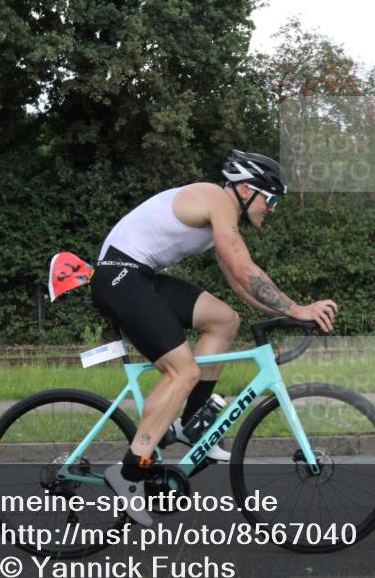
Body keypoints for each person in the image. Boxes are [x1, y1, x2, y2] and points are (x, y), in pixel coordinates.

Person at [90, 150, 338, 525]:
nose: (272, 208)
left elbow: (241, 284)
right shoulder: (217, 199)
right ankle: (129, 472)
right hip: (120, 277)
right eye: (269, 198)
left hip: (139, 276)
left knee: (224, 320)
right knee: (182, 372)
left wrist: (289, 312)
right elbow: (243, 266)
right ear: (243, 189)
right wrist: (297, 308)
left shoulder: (221, 218)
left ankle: (192, 424)